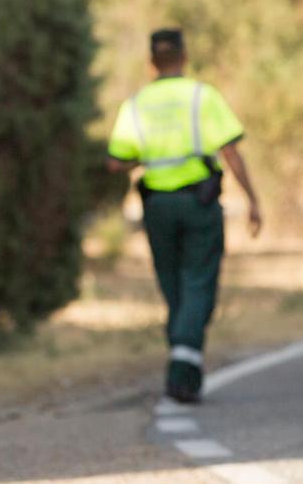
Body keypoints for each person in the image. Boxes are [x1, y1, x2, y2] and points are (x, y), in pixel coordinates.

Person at [107, 28, 261, 403]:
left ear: (150, 62)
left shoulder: (135, 104)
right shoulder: (200, 96)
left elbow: (116, 162)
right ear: (184, 55)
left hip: (156, 205)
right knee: (199, 283)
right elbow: (232, 153)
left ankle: (184, 363)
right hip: (198, 203)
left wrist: (148, 156)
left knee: (172, 283)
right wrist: (253, 200)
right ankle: (181, 371)